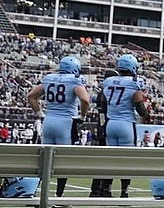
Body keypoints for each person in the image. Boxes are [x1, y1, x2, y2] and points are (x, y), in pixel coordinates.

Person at [26, 55, 91, 200]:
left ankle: (34, 192)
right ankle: (59, 196)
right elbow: (85, 99)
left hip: (49, 121)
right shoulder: (75, 80)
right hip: (66, 123)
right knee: (63, 161)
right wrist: (82, 117)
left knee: (43, 160)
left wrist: (40, 113)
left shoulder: (49, 78)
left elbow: (31, 96)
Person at [103, 54, 148, 198]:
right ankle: (124, 192)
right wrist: (146, 113)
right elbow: (140, 109)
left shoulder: (108, 81)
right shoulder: (134, 83)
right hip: (126, 124)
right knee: (127, 161)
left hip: (111, 124)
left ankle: (107, 189)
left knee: (110, 160)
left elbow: (103, 103)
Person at [89, 68, 119, 198]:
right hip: (108, 127)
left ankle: (97, 189)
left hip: (102, 127)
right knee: (109, 162)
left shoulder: (101, 93)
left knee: (102, 161)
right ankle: (104, 189)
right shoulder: (108, 93)